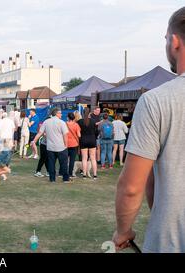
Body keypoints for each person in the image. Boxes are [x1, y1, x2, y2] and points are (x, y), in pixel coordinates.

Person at [113, 8, 185, 253]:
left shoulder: (156, 101)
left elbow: (132, 186)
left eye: (166, 38)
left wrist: (124, 230)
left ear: (174, 41)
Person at [33, 108, 70, 183]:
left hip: (50, 147)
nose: (61, 114)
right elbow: (65, 135)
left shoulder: (46, 122)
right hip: (61, 147)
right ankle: (65, 179)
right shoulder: (62, 122)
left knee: (51, 164)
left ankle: (52, 179)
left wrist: (34, 141)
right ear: (56, 113)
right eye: (60, 113)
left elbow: (40, 133)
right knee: (63, 164)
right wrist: (66, 145)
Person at [0, 112, 15, 186]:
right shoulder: (10, 121)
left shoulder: (0, 122)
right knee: (7, 169)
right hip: (3, 154)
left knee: (1, 166)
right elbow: (13, 129)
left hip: (2, 148)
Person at [77, 108, 98, 180]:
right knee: (93, 158)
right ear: (89, 113)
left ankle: (84, 175)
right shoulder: (93, 121)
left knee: (84, 158)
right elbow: (96, 132)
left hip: (83, 140)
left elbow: (78, 132)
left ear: (82, 113)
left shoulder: (79, 121)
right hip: (92, 140)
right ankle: (95, 175)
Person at [66, 112, 81, 177]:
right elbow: (79, 135)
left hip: (65, 143)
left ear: (68, 117)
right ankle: (70, 173)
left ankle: (63, 171)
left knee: (65, 159)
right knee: (72, 160)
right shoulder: (76, 125)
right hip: (74, 144)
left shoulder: (65, 124)